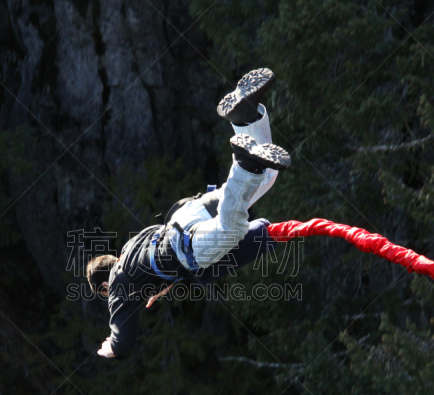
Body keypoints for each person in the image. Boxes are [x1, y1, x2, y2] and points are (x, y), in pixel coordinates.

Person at [86, 68, 291, 358]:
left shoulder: (119, 283)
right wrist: (160, 286)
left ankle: (243, 163)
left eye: (108, 293)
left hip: (187, 245)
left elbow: (124, 342)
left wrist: (109, 348)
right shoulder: (132, 249)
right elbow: (154, 269)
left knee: (230, 226)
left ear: (106, 286)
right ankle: (245, 118)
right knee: (268, 177)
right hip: (190, 212)